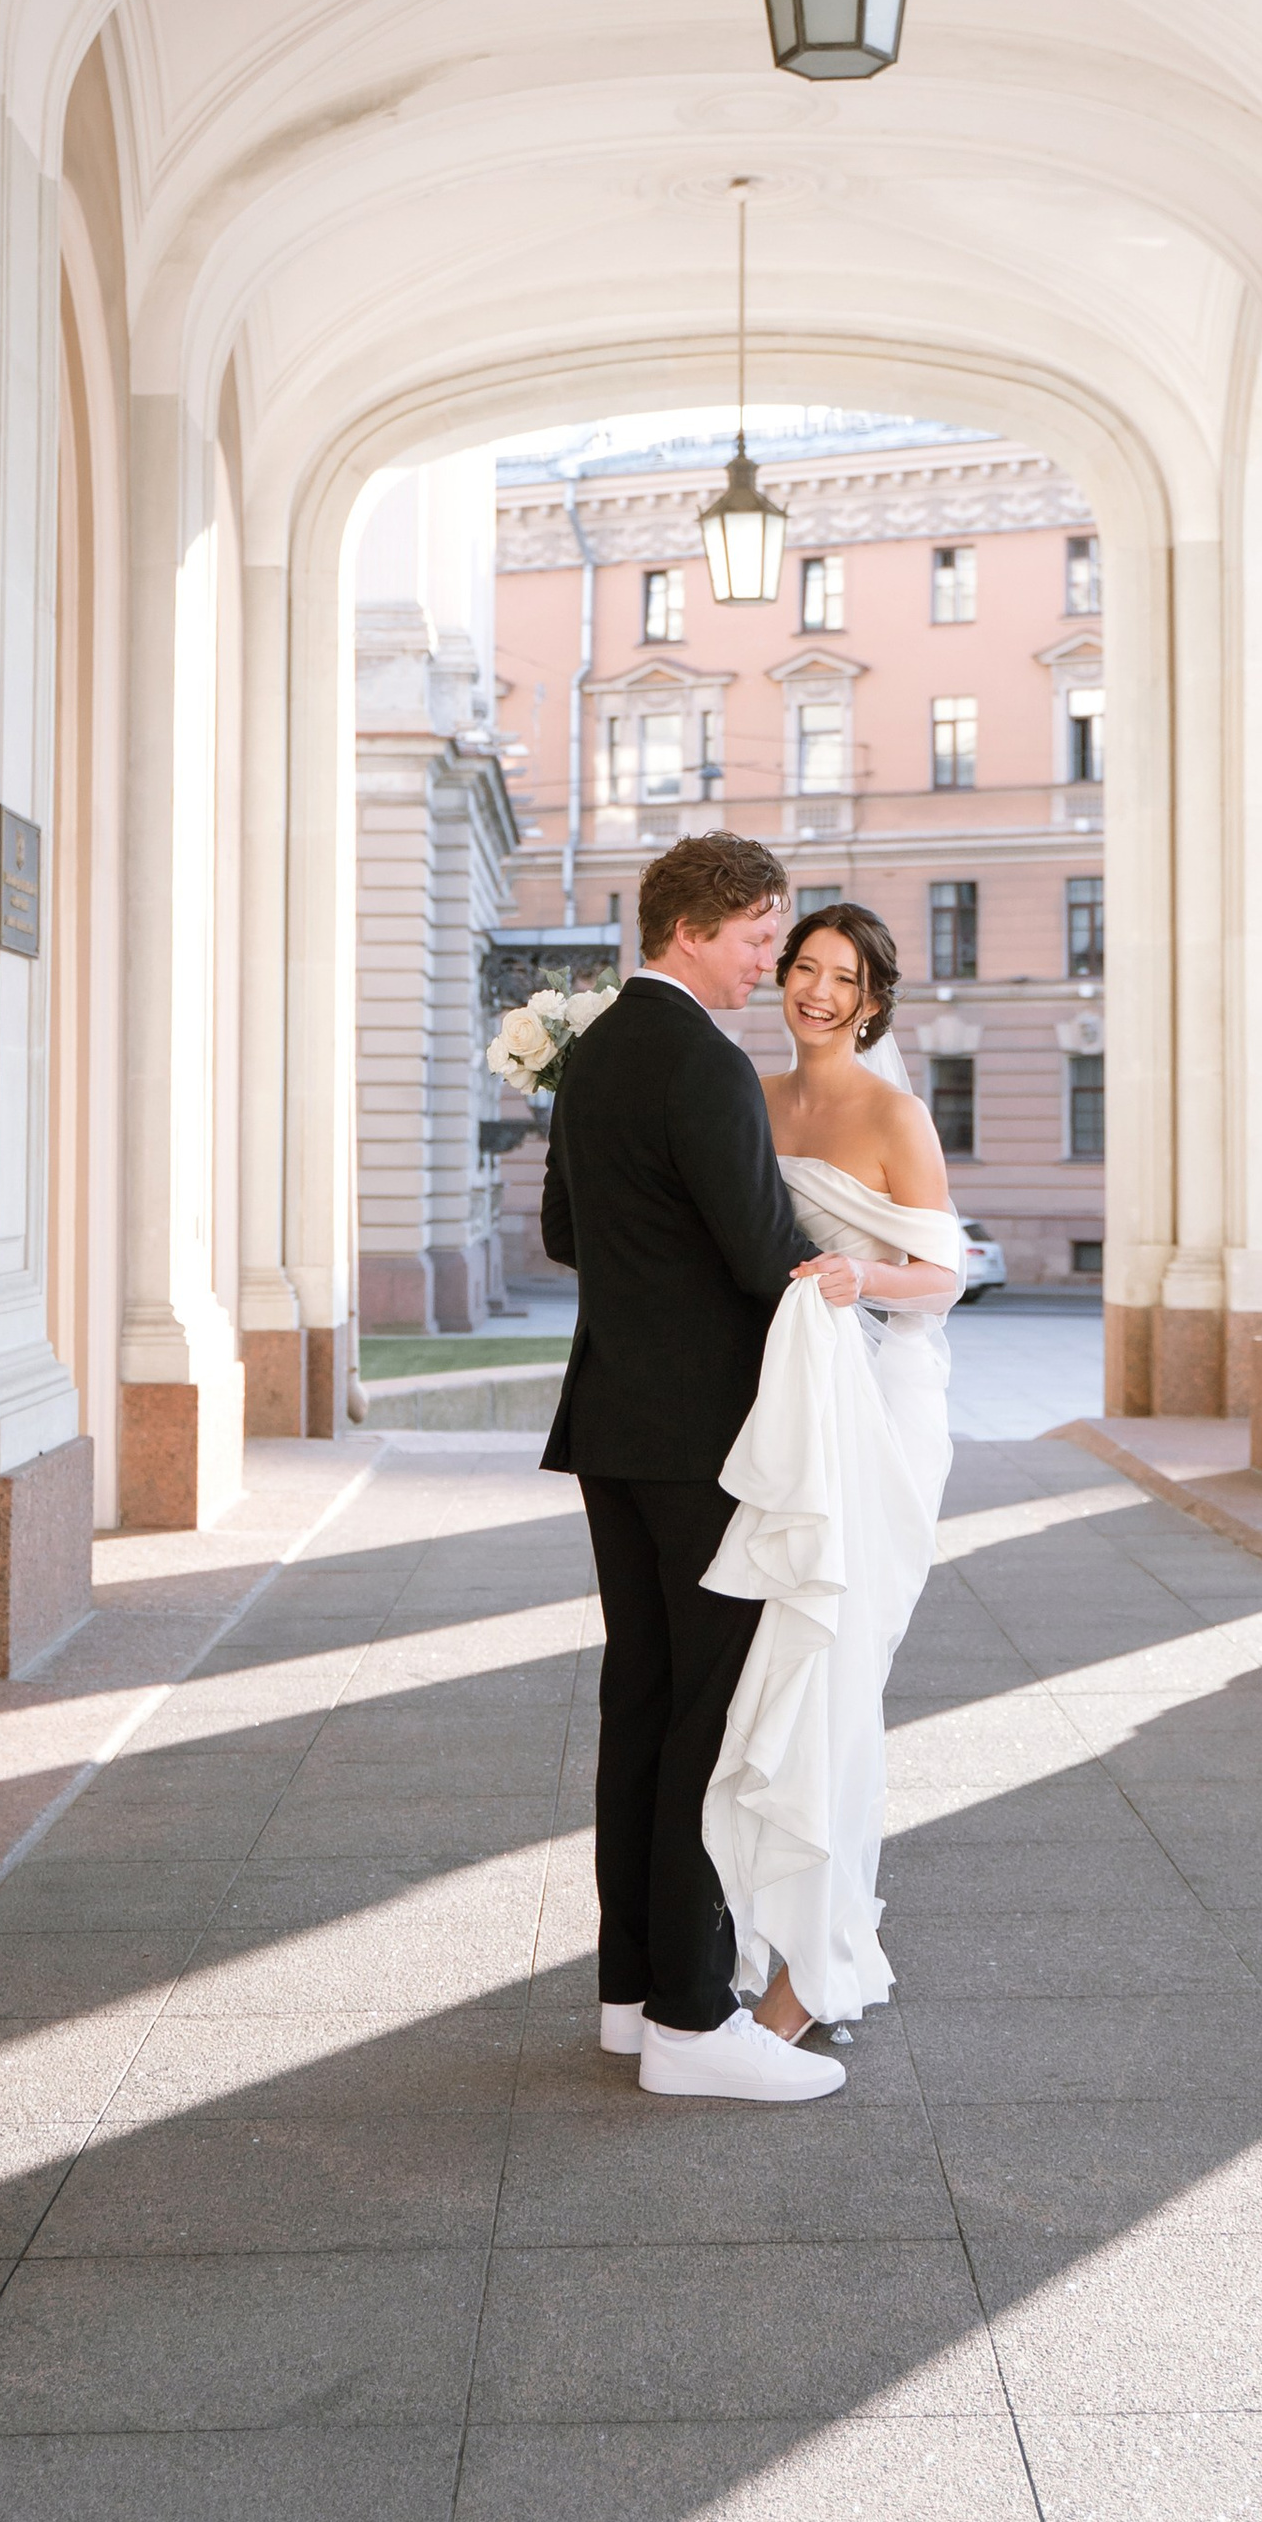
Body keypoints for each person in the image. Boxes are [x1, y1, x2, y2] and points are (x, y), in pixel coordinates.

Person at [538, 833, 864, 2103]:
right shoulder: (706, 1063)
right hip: (707, 1448)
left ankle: (628, 1995)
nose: (764, 966)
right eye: (751, 940)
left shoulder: (600, 1052)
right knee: (707, 1723)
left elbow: (568, 1229)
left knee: (641, 1704)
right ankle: (687, 2018)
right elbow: (756, 1254)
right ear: (692, 929)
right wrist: (835, 1269)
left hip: (613, 1431)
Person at [702, 902, 964, 2043]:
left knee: (839, 1667)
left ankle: (811, 1973)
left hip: (879, 1407)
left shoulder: (894, 1112)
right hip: (790, 1406)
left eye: (839, 977)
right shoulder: (754, 1102)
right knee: (776, 1671)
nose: (813, 990)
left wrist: (865, 1284)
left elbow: (943, 1273)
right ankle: (774, 1936)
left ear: (871, 999)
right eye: (801, 967)